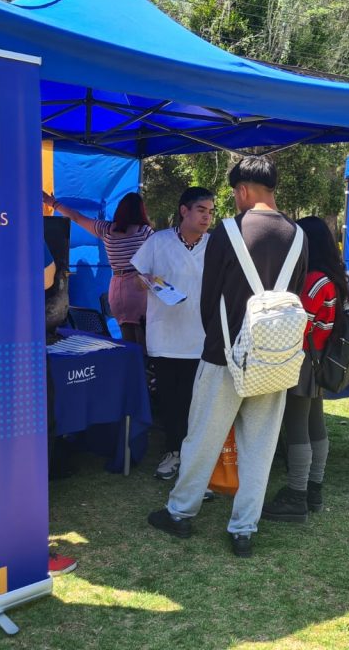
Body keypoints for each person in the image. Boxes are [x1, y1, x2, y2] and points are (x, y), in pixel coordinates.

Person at [147, 155, 307, 558]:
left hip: (225, 353)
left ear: (241, 191)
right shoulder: (299, 235)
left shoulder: (228, 231)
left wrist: (215, 339)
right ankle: (243, 529)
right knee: (260, 446)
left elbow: (208, 296)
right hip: (276, 357)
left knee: (202, 436)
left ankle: (181, 512)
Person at [261, 216, 349, 523]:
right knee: (315, 425)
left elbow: (299, 326)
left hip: (302, 363)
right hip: (319, 361)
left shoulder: (312, 280)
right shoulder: (332, 277)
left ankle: (296, 496)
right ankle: (314, 490)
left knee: (296, 427)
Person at [130, 186, 214, 480]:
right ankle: (172, 452)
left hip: (201, 337)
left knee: (196, 400)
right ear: (184, 211)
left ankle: (195, 459)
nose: (207, 217)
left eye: (210, 212)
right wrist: (146, 282)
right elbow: (138, 276)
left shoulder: (214, 245)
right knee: (170, 399)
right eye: (201, 210)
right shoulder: (159, 241)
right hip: (165, 335)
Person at [43, 191, 153, 346]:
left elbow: (77, 217)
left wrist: (52, 203)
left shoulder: (106, 229)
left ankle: (129, 367)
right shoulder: (144, 232)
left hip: (117, 290)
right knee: (144, 342)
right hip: (138, 287)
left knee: (127, 341)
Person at [42, 240, 78, 575]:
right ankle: (27, 548)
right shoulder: (9, 218)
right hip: (14, 344)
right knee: (34, 441)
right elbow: (47, 274)